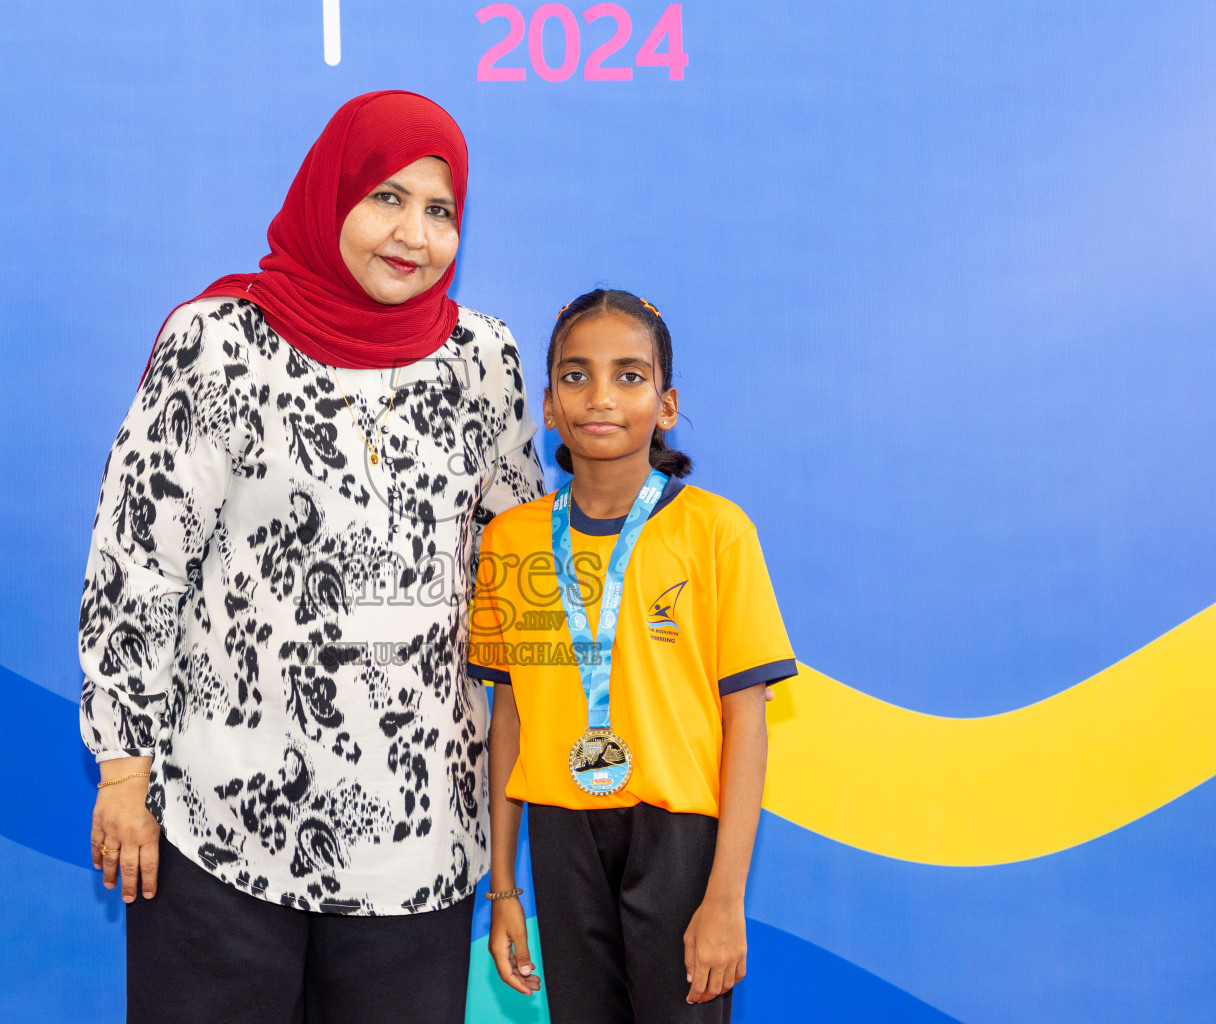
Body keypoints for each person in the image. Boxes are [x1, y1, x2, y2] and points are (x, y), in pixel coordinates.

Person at [78, 91, 543, 1023]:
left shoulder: (483, 361)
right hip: (222, 829)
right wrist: (124, 772)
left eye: (440, 211)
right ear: (331, 197)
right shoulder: (218, 346)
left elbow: (516, 568)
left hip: (421, 849)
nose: (413, 233)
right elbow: (138, 564)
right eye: (386, 198)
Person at [470, 289, 798, 1023]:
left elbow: (748, 723)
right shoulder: (512, 542)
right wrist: (503, 890)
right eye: (576, 375)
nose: (601, 397)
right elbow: (509, 718)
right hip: (561, 829)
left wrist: (724, 898)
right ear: (548, 406)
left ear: (667, 403)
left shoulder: (717, 533)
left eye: (629, 375)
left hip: (676, 836)